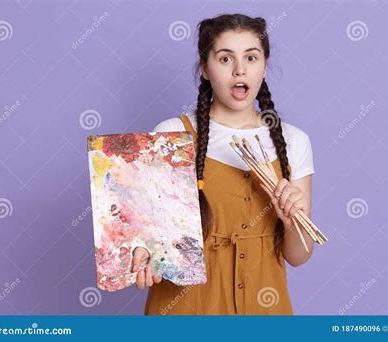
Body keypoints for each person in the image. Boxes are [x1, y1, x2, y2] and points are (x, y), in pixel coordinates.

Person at [132, 13, 315, 315]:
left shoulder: (294, 141)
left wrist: (291, 220)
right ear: (205, 68)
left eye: (251, 58)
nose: (240, 69)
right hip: (185, 310)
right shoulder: (171, 135)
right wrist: (142, 250)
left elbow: (297, 256)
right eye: (225, 59)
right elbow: (147, 232)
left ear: (265, 66)